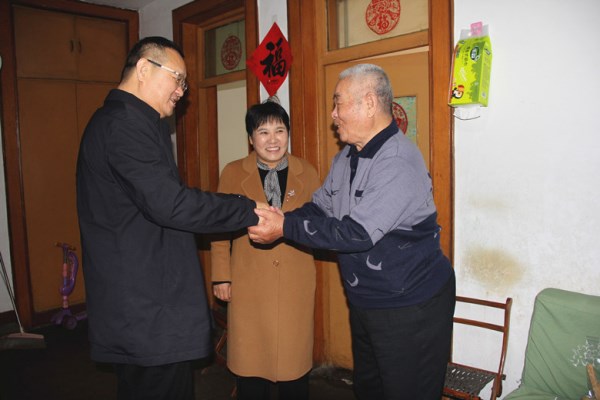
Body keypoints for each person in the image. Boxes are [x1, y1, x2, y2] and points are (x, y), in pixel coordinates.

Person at [248, 64, 456, 400]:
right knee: (370, 388)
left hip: (410, 304)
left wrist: (283, 227)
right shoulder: (347, 157)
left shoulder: (397, 161)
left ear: (369, 104)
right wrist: (280, 217)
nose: (333, 114)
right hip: (366, 301)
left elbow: (356, 233)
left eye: (338, 102)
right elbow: (321, 208)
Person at [76, 36, 262, 400]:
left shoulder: (135, 122)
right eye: (177, 79)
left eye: (185, 84)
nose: (181, 91)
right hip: (147, 306)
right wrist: (246, 209)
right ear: (144, 69)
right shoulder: (124, 125)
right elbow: (171, 205)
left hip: (144, 302)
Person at [211, 100, 320, 400]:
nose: (273, 140)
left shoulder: (308, 172)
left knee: (294, 370)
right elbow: (218, 228)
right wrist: (221, 276)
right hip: (249, 282)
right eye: (263, 132)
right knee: (251, 368)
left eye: (280, 131)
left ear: (288, 134)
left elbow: (319, 222)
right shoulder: (233, 172)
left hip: (294, 281)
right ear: (251, 138)